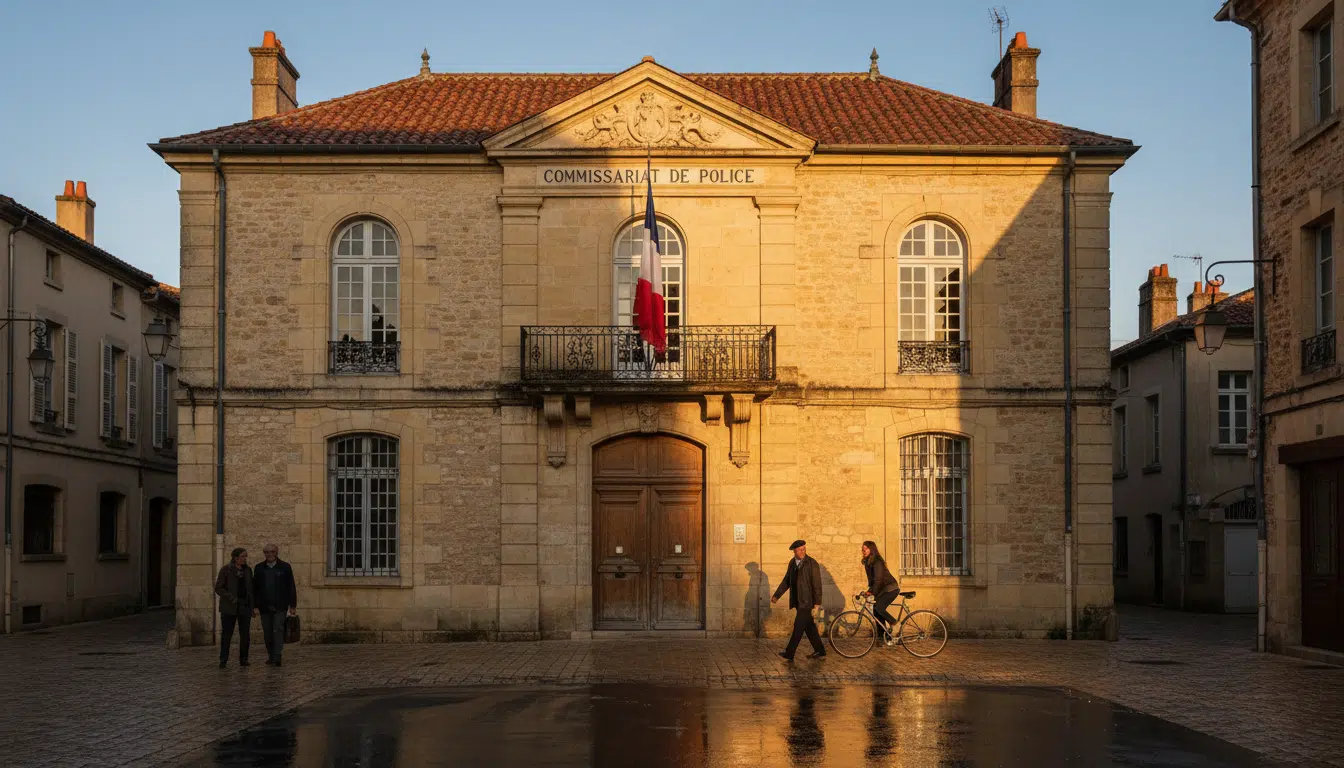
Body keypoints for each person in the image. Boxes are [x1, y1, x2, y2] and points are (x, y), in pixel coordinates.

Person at [771, 539, 826, 660]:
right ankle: (820, 650)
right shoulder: (792, 563)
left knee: (798, 626)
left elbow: (817, 584)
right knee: (809, 627)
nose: (802, 552)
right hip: (797, 600)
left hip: (807, 601)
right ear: (794, 551)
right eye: (799, 550)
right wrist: (777, 595)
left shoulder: (812, 563)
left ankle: (789, 652)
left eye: (803, 549)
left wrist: (817, 602)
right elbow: (787, 580)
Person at [254, 543, 298, 666]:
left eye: (272, 551)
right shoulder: (259, 568)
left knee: (278, 630)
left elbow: (291, 586)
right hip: (264, 606)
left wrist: (293, 605)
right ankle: (271, 655)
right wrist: (255, 606)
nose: (270, 554)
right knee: (267, 632)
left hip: (280, 605)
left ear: (276, 553)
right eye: (267, 552)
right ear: (264, 554)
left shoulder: (285, 567)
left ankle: (277, 656)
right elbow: (255, 588)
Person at [214, 547, 254, 668]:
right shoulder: (226, 570)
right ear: (236, 558)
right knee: (227, 634)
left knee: (245, 635)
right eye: (243, 556)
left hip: (244, 606)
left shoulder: (248, 570)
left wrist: (252, 606)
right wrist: (231, 597)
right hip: (229, 607)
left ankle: (244, 658)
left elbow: (251, 589)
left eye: (246, 556)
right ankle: (223, 659)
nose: (245, 559)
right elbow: (218, 588)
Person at [861, 541, 900, 641]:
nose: (863, 551)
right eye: (863, 549)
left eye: (866, 548)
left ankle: (895, 623)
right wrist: (869, 591)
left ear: (871, 549)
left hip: (890, 588)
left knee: (879, 608)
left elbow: (878, 580)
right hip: (883, 589)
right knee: (876, 611)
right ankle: (883, 636)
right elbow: (872, 581)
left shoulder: (877, 561)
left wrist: (872, 592)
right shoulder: (868, 562)